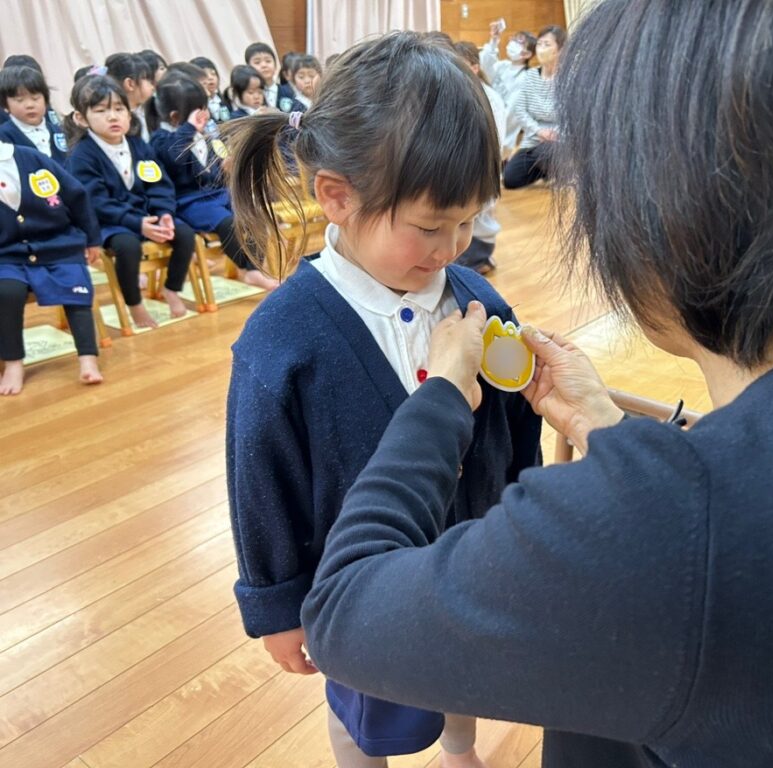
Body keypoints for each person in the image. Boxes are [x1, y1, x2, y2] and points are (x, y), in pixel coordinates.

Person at [299, 1, 773, 767]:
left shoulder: (657, 531)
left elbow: (344, 613)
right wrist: (612, 431)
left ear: (668, 214)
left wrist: (440, 399)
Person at [222, 31, 541, 768]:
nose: (453, 246)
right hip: (360, 587)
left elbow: (513, 432)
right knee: (364, 706)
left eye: (468, 220)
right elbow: (259, 481)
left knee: (461, 674)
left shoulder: (479, 303)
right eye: (429, 227)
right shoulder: (282, 339)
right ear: (336, 196)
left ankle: (460, 749)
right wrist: (275, 603)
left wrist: (523, 520)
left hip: (467, 564)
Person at [66, 74, 194, 330]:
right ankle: (134, 304)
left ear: (129, 112)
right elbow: (96, 202)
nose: (112, 117)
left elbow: (158, 183)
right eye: (101, 111)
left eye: (119, 109)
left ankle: (171, 288)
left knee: (184, 234)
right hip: (108, 223)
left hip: (144, 215)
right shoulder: (82, 155)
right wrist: (137, 224)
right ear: (81, 118)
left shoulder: (138, 146)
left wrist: (164, 213)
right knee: (128, 246)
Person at [149, 74, 279, 290]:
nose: (204, 115)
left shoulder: (203, 132)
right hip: (190, 202)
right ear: (175, 116)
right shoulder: (161, 138)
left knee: (254, 211)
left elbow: (212, 163)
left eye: (204, 107)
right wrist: (189, 129)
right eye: (197, 111)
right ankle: (249, 269)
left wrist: (224, 164)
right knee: (227, 223)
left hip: (216, 193)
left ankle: (255, 264)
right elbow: (174, 157)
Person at [0, 141, 103, 394]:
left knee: (76, 286)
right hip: (7, 254)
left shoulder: (31, 158)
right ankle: (13, 363)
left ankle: (88, 358)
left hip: (57, 244)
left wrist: (92, 238)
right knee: (7, 292)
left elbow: (76, 195)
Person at [452, 41, 506, 274]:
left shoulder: (490, 99)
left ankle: (481, 256)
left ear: (474, 67)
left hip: (480, 171)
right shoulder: (459, 92)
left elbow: (494, 146)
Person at [502, 26, 565, 189]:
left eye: (547, 44)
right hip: (534, 139)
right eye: (539, 44)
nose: (541, 48)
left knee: (547, 150)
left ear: (560, 50)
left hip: (558, 141)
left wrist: (555, 134)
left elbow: (572, 116)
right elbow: (520, 110)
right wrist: (538, 130)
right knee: (510, 179)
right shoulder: (529, 76)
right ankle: (545, 171)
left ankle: (559, 168)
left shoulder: (568, 80)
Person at [481, 25, 536, 154]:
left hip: (501, 138)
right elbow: (485, 67)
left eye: (519, 42)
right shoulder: (503, 66)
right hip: (486, 124)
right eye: (514, 39)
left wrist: (489, 126)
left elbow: (510, 114)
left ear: (527, 54)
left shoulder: (526, 79)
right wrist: (494, 41)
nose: (513, 43)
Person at [0, 66, 70, 164]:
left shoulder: (59, 131)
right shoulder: (3, 136)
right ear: (5, 105)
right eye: (20, 100)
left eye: (35, 98)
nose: (30, 105)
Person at [104, 53, 155, 141]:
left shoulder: (148, 110)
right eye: (147, 79)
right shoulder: (116, 120)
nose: (152, 86)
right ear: (130, 84)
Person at [244, 42, 303, 113]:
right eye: (257, 62)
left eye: (268, 61)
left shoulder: (288, 91)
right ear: (248, 67)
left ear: (275, 65)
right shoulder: (246, 95)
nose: (264, 65)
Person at [191, 56, 231, 123]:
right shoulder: (196, 108)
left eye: (213, 74)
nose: (210, 78)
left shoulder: (225, 99)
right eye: (205, 75)